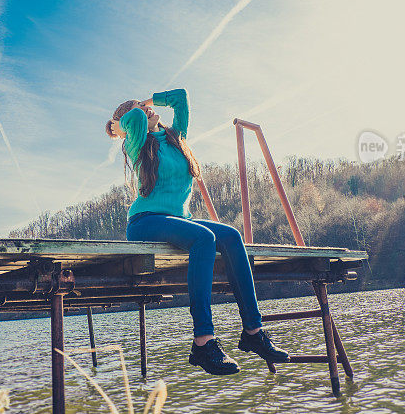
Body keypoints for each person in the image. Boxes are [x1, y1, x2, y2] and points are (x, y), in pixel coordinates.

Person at [105, 88, 289, 375]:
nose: (146, 110)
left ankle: (253, 331)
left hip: (178, 218)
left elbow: (181, 96)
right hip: (146, 221)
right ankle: (203, 341)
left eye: (146, 106)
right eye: (138, 109)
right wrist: (124, 121)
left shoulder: (175, 137)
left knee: (230, 236)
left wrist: (150, 101)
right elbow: (135, 122)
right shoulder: (137, 142)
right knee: (204, 239)